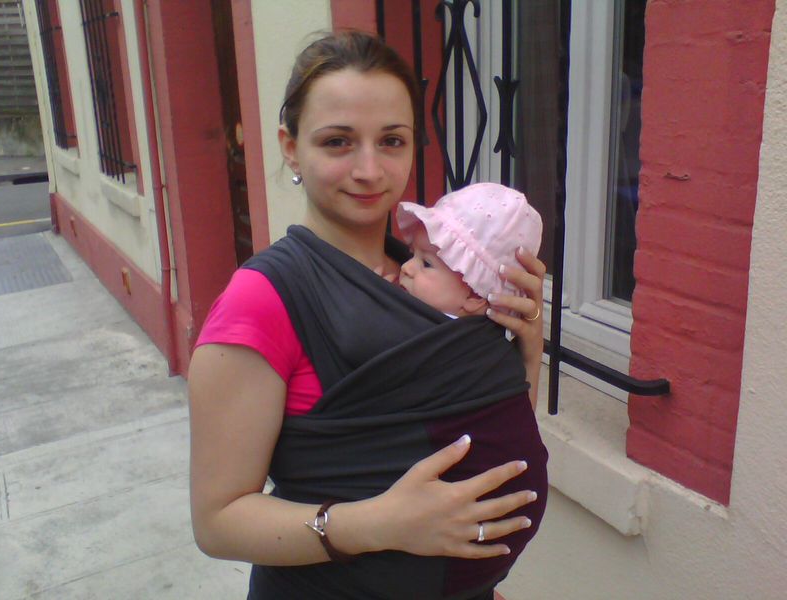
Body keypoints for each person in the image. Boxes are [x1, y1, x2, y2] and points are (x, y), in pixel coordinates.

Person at [188, 31, 547, 600]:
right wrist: (376, 524)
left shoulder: (435, 280)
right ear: (290, 147)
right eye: (338, 142)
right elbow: (217, 521)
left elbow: (483, 431)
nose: (370, 169)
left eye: (392, 141)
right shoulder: (263, 299)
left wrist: (525, 351)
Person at [395, 183, 543, 327]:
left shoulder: (460, 340)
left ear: (475, 295)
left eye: (426, 264)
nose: (405, 267)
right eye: (412, 254)